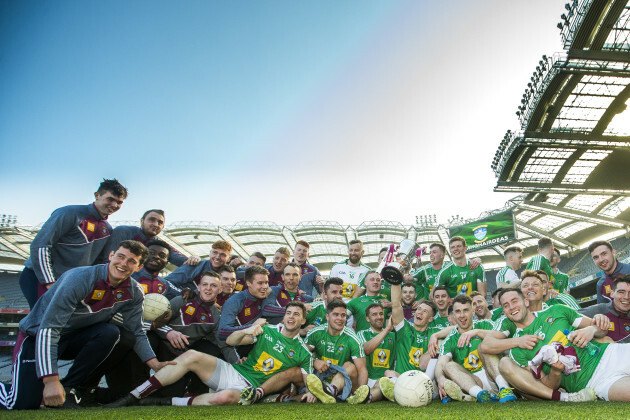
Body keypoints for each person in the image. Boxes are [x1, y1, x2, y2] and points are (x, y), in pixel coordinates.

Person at [1, 240, 173, 410]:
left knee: (113, 333)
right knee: (22, 403)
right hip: (38, 337)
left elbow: (136, 330)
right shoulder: (79, 278)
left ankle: (70, 388)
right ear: (111, 256)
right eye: (120, 257)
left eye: (131, 261)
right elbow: (49, 328)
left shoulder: (134, 292)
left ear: (139, 267)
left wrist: (154, 364)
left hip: (75, 338)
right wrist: (51, 380)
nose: (123, 264)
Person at [105, 302, 318, 407]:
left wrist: (310, 393)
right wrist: (247, 330)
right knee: (190, 356)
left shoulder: (303, 352)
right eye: (288, 313)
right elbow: (231, 341)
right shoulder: (268, 330)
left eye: (296, 315)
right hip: (232, 371)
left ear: (302, 321)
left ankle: (166, 401)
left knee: (223, 398)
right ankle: (133, 396)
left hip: (249, 388)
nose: (291, 317)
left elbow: (308, 378)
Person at [481, 288, 630, 402]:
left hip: (612, 354)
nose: (512, 307)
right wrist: (555, 371)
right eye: (506, 305)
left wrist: (591, 330)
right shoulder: (517, 352)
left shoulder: (557, 310)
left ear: (526, 301)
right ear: (504, 312)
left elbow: (601, 330)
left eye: (515, 301)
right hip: (596, 383)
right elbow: (548, 384)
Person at [19, 179, 128, 308]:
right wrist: (49, 282)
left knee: (57, 324)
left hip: (68, 284)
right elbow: (40, 245)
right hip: (39, 278)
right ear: (97, 195)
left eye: (119, 202)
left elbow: (97, 263)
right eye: (110, 199)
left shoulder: (107, 230)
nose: (114, 204)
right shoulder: (69, 213)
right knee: (40, 321)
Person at [435, 295, 515, 403]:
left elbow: (502, 337)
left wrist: (477, 332)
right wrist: (440, 378)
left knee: (485, 346)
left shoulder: (486, 324)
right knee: (448, 366)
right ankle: (480, 395)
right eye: (458, 311)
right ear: (453, 315)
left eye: (466, 310)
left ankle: (505, 389)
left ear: (473, 312)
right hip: (474, 382)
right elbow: (440, 363)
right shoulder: (450, 339)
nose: (462, 315)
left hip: (492, 375)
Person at [305, 300, 369, 404]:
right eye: (335, 314)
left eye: (343, 315)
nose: (340, 318)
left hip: (346, 386)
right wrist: (315, 361)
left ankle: (329, 391)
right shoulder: (315, 333)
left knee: (349, 366)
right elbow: (301, 356)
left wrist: (360, 394)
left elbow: (362, 370)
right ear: (327, 317)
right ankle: (319, 392)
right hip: (321, 381)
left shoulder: (353, 339)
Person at [105, 209, 199, 267]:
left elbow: (182, 260)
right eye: (151, 220)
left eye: (160, 222)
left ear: (163, 227)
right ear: (142, 221)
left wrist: (194, 258)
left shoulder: (160, 246)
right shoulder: (124, 231)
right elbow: (107, 260)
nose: (155, 224)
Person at [217, 265, 286, 341]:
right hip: (236, 346)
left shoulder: (266, 295)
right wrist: (252, 326)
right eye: (260, 283)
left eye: (266, 282)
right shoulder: (236, 301)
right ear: (248, 283)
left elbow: (284, 288)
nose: (265, 286)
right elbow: (222, 332)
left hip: (258, 342)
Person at [389, 280, 440, 378]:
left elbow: (455, 329)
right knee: (389, 374)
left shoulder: (434, 332)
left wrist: (436, 336)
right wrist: (396, 281)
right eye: (419, 309)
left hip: (422, 382)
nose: (419, 313)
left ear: (430, 319)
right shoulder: (404, 329)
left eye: (425, 311)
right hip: (402, 379)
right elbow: (396, 305)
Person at [357, 303, 396, 402]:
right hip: (368, 380)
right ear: (367, 319)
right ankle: (368, 396)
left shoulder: (393, 336)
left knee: (384, 382)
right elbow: (366, 349)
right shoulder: (362, 334)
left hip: (387, 378)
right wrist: (387, 329)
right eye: (374, 315)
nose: (379, 317)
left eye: (381, 314)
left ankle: (367, 398)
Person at [579, 275, 630, 343]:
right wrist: (592, 330)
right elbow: (566, 315)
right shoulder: (599, 310)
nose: (626, 297)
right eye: (621, 292)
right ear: (612, 294)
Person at [165, 240, 233, 291]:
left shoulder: (230, 274)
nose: (217, 257)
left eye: (222, 255)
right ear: (210, 253)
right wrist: (183, 294)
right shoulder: (195, 266)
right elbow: (167, 282)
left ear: (229, 259)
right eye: (215, 252)